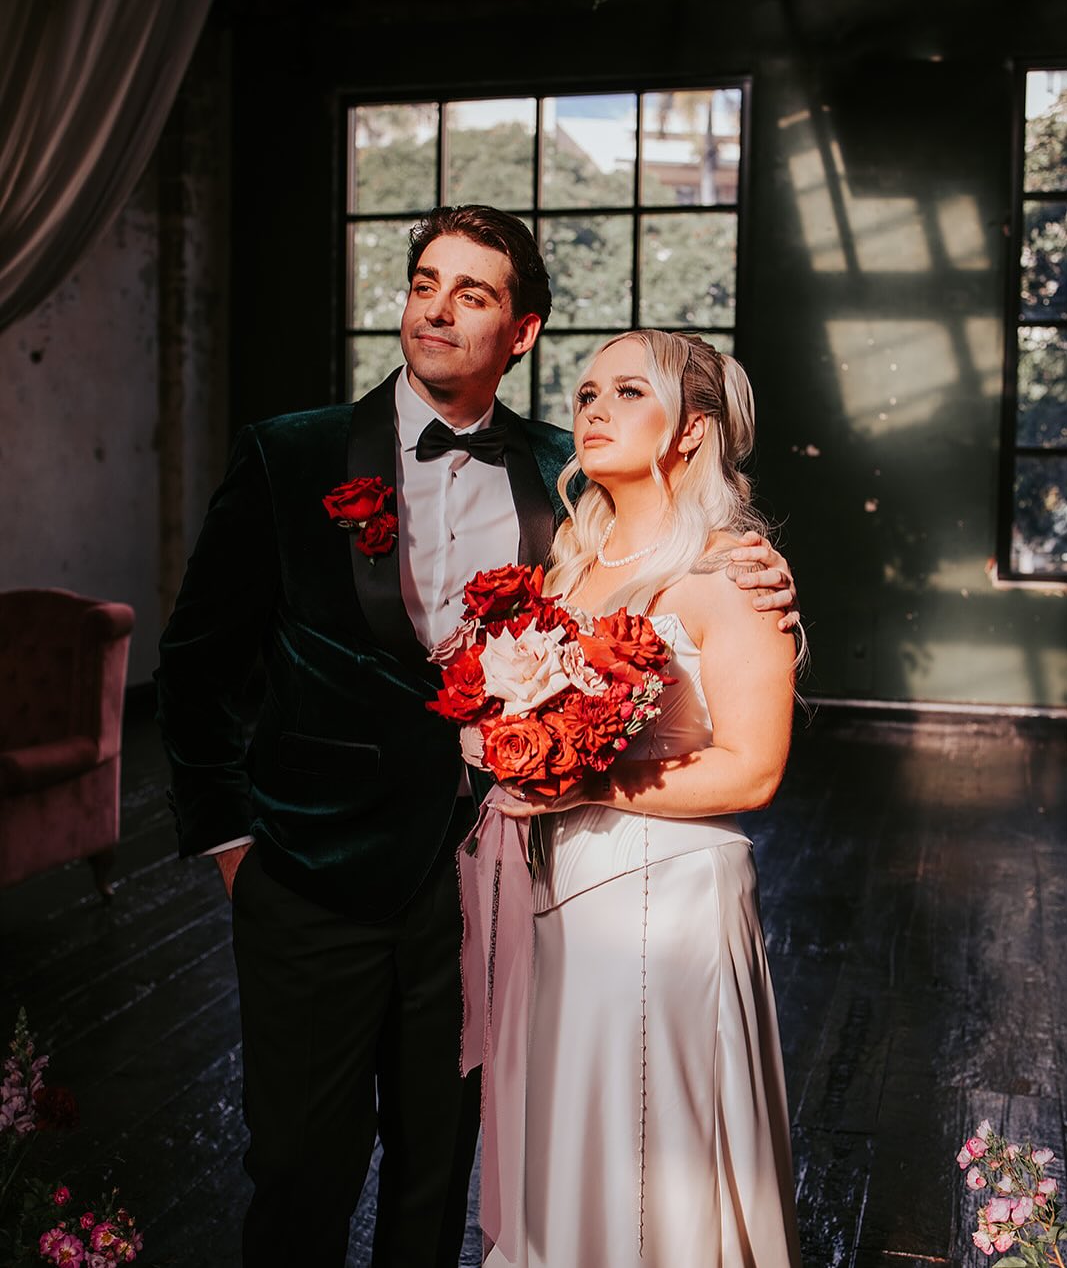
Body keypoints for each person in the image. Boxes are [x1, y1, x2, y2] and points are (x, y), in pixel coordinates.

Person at [155, 207, 799, 1268]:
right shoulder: (289, 453)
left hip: (481, 888)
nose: (436, 308)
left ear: (522, 330)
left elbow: (670, 538)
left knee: (437, 1176)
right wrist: (232, 848)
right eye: (423, 282)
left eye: (473, 293)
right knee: (298, 1172)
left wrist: (748, 560)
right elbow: (195, 662)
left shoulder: (567, 478)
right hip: (309, 878)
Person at [487, 330, 804, 1268]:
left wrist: (578, 773)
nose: (592, 408)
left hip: (666, 902)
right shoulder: (566, 566)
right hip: (559, 892)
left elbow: (753, 771)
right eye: (586, 391)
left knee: (653, 1158)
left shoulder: (729, 570)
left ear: (692, 430)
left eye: (628, 391)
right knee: (579, 1134)